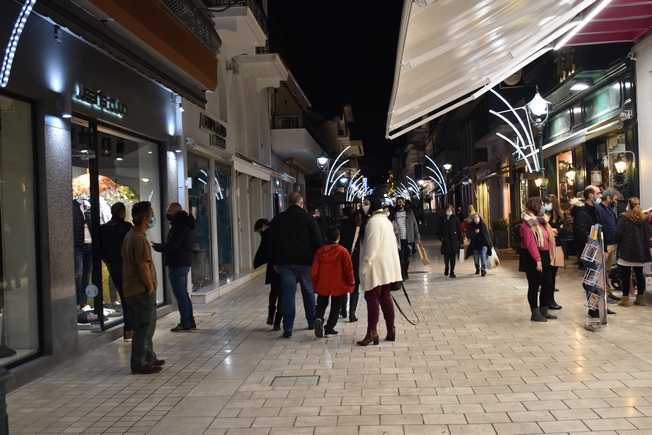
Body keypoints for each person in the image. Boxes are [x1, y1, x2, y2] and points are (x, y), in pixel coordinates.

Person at [270, 192, 323, 338]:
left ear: (288, 203)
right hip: (306, 262)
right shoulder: (309, 218)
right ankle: (311, 321)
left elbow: (272, 242)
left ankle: (288, 327)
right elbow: (317, 241)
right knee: (308, 291)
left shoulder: (279, 219)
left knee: (288, 293)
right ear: (301, 203)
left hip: (286, 262)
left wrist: (275, 261)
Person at [122, 201, 164, 374]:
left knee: (147, 325)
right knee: (144, 327)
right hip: (140, 290)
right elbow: (143, 266)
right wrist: (150, 287)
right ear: (145, 219)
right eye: (152, 215)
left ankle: (149, 357)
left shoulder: (131, 235)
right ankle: (139, 362)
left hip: (133, 289)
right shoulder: (139, 238)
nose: (153, 217)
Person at [357, 195, 402, 346]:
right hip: (386, 266)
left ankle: (372, 332)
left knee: (372, 298)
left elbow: (371, 248)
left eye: (366, 203)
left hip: (374, 267)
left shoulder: (373, 222)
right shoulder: (385, 220)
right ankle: (391, 329)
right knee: (385, 297)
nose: (364, 206)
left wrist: (363, 267)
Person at [152, 202, 196, 332]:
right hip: (183, 263)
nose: (167, 213)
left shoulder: (178, 227)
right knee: (184, 293)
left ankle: (185, 322)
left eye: (169, 211)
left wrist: (157, 246)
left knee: (180, 294)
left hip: (177, 264)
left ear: (175, 212)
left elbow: (172, 245)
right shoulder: (185, 224)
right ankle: (190, 320)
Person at [571, 185, 614, 318]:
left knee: (602, 279)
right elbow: (581, 233)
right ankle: (593, 307)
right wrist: (593, 242)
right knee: (592, 281)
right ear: (591, 195)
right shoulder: (581, 213)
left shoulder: (596, 210)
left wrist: (604, 249)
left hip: (600, 250)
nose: (600, 196)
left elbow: (603, 229)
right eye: (598, 193)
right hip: (589, 252)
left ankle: (602, 305)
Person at [312, 226, 355, 338]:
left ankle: (319, 318)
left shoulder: (319, 252)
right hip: (338, 284)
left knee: (321, 304)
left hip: (323, 283)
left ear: (326, 237)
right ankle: (329, 328)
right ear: (339, 237)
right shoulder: (343, 251)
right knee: (336, 306)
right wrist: (351, 281)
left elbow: (314, 271)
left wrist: (314, 283)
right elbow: (348, 269)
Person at [100, 202, 134, 341]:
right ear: (122, 213)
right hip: (127, 266)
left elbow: (101, 250)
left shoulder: (103, 229)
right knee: (129, 297)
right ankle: (129, 328)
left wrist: (108, 262)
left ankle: (129, 329)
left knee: (122, 294)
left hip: (113, 265)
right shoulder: (126, 227)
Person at [519, 197, 556, 322]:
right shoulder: (527, 224)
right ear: (536, 206)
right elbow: (531, 244)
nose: (544, 207)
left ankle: (544, 310)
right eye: (541, 205)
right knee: (534, 285)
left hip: (544, 255)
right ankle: (535, 313)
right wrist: (537, 260)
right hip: (532, 257)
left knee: (547, 284)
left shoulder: (541, 221)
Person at [616, 197, 652, 307]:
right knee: (639, 274)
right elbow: (649, 232)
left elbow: (618, 233)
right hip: (640, 251)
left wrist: (616, 241)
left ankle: (625, 299)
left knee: (626, 275)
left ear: (629, 205)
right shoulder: (645, 218)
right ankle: (640, 299)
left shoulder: (624, 217)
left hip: (626, 250)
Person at [253, 218, 282, 330]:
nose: (261, 234)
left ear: (264, 226)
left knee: (273, 291)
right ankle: (277, 322)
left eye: (260, 231)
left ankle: (271, 316)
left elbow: (264, 251)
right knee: (282, 294)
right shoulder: (279, 231)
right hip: (283, 265)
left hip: (272, 266)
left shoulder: (267, 235)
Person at [597, 188, 622, 304]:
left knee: (607, 269)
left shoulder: (610, 211)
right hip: (605, 244)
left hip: (612, 242)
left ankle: (608, 292)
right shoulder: (599, 210)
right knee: (602, 269)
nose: (616, 202)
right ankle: (605, 293)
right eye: (615, 199)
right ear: (608, 198)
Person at [338, 207, 361, 322]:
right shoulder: (357, 228)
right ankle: (352, 314)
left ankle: (343, 310)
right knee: (355, 287)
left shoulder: (340, 228)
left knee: (343, 285)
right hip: (355, 259)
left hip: (343, 259)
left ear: (345, 215)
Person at [544, 194, 567, 310]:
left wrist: (553, 230)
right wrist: (555, 230)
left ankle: (551, 299)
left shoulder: (561, 215)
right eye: (546, 202)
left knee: (553, 274)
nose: (547, 205)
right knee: (547, 275)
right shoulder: (543, 215)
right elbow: (544, 230)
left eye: (549, 202)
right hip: (547, 246)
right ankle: (546, 300)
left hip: (557, 246)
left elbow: (564, 230)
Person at [393, 197, 421, 280]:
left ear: (404, 203)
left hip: (409, 239)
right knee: (401, 257)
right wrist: (394, 229)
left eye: (401, 202)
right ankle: (403, 273)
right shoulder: (394, 214)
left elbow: (415, 225)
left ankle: (405, 270)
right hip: (399, 239)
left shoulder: (409, 213)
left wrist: (417, 237)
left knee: (407, 257)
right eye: (398, 202)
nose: (399, 204)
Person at [73, 197, 92, 308]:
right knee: (78, 274)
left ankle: (84, 302)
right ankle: (78, 302)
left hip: (90, 244)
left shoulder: (88, 206)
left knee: (87, 275)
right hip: (78, 245)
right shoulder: (72, 206)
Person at [437, 204, 464, 278]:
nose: (449, 211)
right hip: (446, 240)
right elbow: (438, 230)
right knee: (446, 256)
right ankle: (447, 267)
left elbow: (459, 230)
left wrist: (461, 241)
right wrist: (441, 238)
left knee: (453, 256)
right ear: (445, 210)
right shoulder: (441, 219)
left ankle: (452, 272)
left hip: (454, 240)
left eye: (450, 209)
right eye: (448, 209)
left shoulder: (455, 219)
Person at [465, 212, 492, 276]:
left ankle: (483, 269)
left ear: (480, 218)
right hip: (475, 245)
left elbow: (487, 235)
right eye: (475, 218)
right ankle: (477, 268)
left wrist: (490, 244)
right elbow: (468, 236)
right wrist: (475, 232)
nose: (476, 219)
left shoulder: (483, 225)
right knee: (476, 258)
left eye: (477, 217)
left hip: (484, 244)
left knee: (483, 256)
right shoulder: (471, 226)